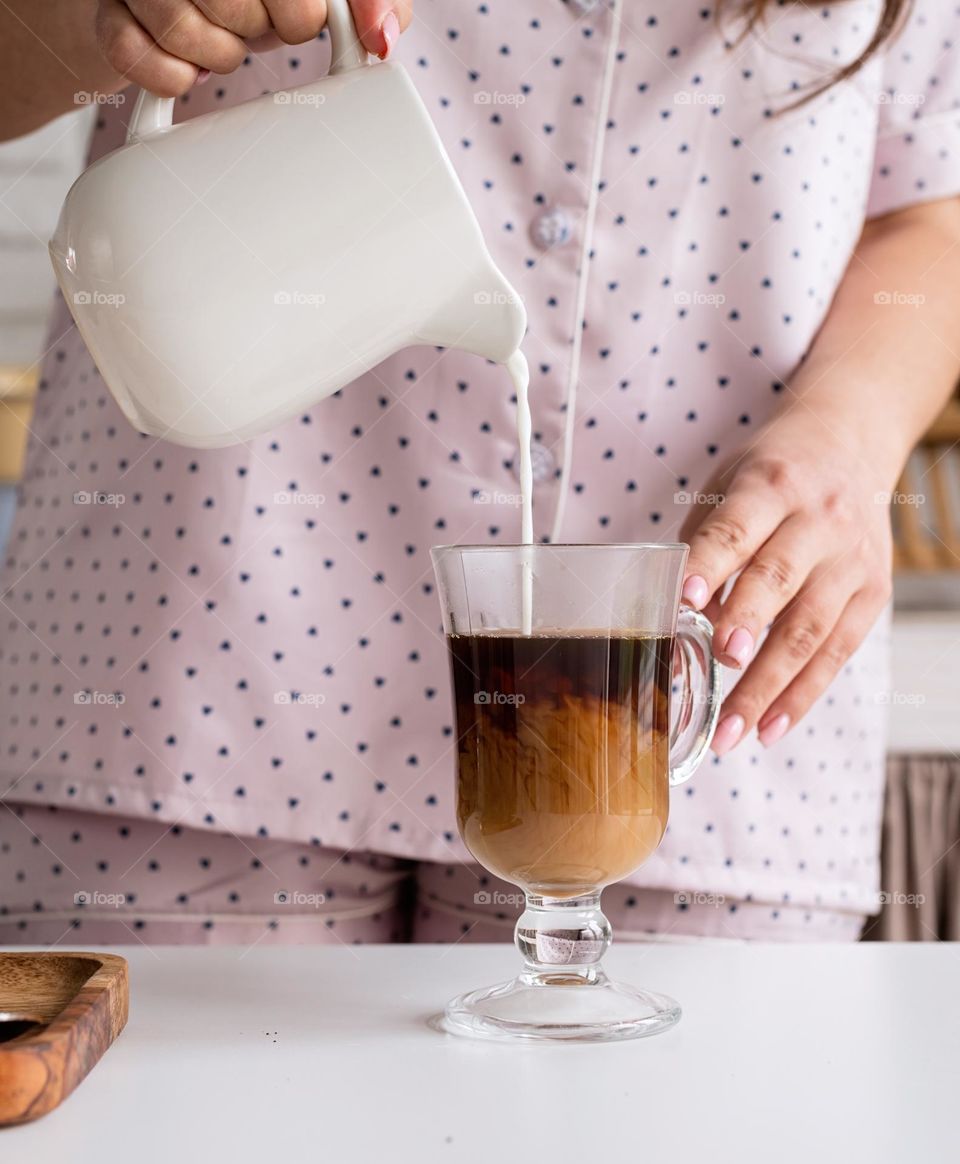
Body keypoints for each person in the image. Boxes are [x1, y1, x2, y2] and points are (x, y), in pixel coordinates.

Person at [0, 0, 957, 945]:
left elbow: (936, 204)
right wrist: (97, 15)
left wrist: (855, 429)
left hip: (703, 715)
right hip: (185, 671)